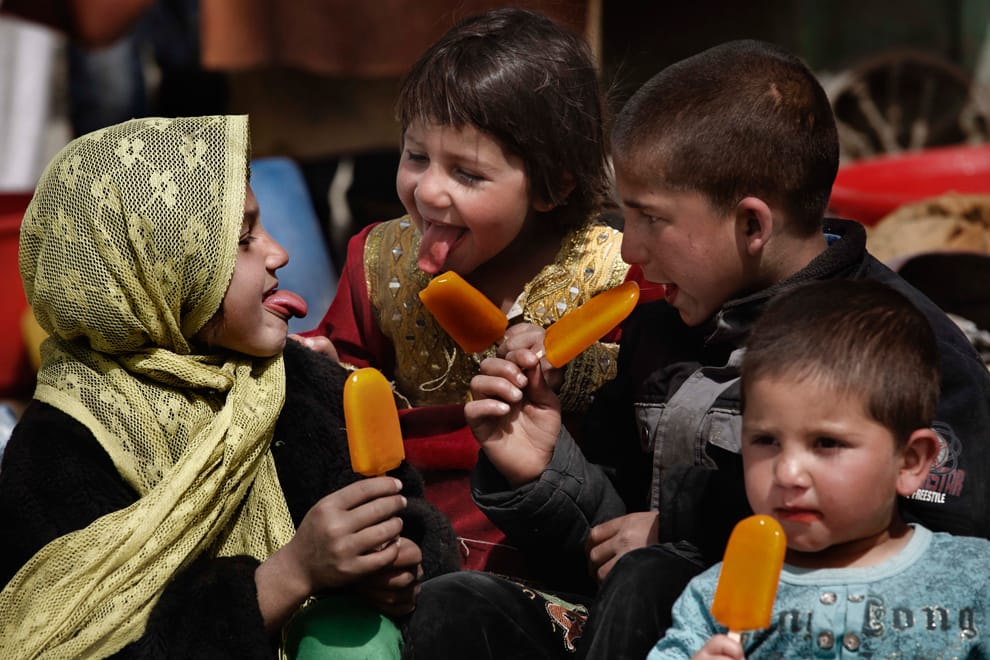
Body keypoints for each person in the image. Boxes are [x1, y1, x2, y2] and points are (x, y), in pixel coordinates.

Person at [401, 39, 990, 660]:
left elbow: (933, 562)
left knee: (649, 575)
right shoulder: (659, 334)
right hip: (629, 629)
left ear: (752, 226)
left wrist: (692, 533)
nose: (629, 250)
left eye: (650, 218)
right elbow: (605, 540)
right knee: (456, 605)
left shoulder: (908, 349)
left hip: (791, 637)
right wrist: (544, 465)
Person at [0, 115, 458, 659]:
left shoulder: (305, 386)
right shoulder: (63, 448)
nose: (278, 253)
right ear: (159, 271)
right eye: (244, 240)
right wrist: (287, 577)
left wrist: (399, 567)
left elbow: (415, 520)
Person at [299, 7, 633, 579]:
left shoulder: (613, 276)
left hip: (546, 547)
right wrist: (324, 373)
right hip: (403, 538)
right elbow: (350, 391)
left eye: (468, 174)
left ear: (555, 186)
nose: (428, 190)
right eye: (416, 156)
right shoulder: (378, 261)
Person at [650, 279, 990, 658]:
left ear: (910, 461)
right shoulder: (712, 601)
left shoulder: (974, 580)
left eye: (827, 443)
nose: (788, 473)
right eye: (766, 441)